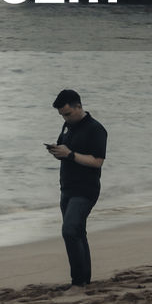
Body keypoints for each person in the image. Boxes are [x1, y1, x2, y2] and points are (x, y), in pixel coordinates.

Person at [46, 88, 107, 288]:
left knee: (70, 230)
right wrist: (58, 151)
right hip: (67, 188)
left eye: (68, 114)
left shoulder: (96, 129)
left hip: (86, 189)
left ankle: (77, 282)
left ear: (79, 106)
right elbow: (66, 150)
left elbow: (98, 161)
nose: (65, 118)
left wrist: (70, 154)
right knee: (78, 232)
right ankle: (82, 281)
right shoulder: (67, 126)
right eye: (62, 115)